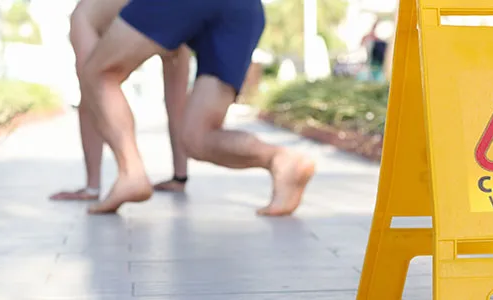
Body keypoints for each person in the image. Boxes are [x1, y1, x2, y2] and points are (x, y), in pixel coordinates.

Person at [76, 0, 317, 215]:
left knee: (96, 74)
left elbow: (92, 93)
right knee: (196, 138)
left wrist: (91, 185)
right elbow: (175, 87)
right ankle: (282, 160)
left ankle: (130, 173)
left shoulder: (88, 11)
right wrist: (179, 176)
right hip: (244, 9)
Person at [48, 0, 193, 201]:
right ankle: (180, 176)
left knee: (93, 86)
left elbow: (91, 100)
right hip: (178, 10)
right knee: (177, 97)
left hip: (104, 13)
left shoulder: (87, 11)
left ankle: (103, 183)